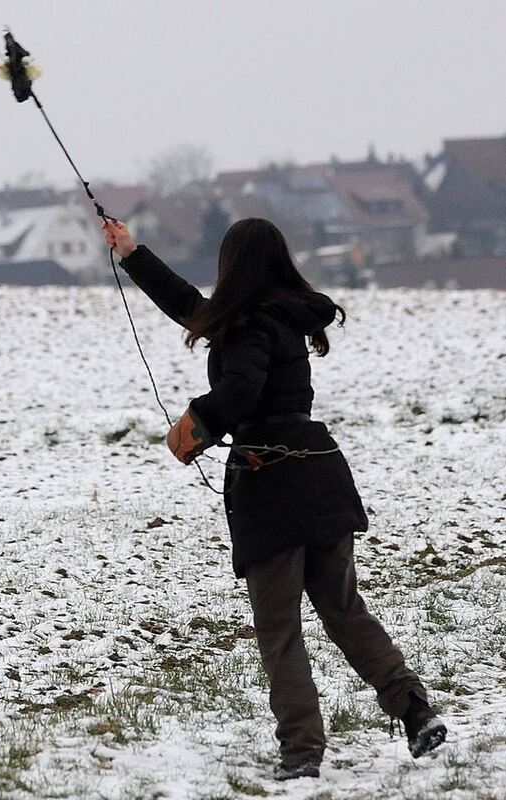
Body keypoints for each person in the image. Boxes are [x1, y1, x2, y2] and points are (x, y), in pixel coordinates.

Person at [102, 217, 447, 780]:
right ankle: (415, 712)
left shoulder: (247, 326)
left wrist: (194, 428)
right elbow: (195, 308)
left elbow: (239, 390)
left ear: (232, 264)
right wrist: (133, 253)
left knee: (279, 627)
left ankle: (302, 752)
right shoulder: (284, 315)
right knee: (343, 608)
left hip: (271, 482)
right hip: (322, 471)